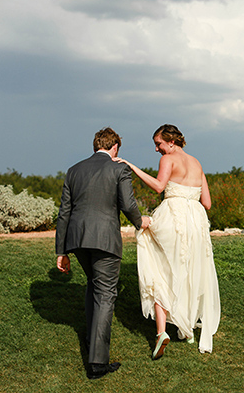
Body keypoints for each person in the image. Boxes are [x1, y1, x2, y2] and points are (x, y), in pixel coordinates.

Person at [114, 124, 220, 359]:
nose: (156, 149)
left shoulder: (168, 159)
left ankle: (162, 331)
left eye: (158, 143)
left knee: (157, 266)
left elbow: (159, 187)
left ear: (171, 142)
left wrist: (132, 167)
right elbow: (208, 203)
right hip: (196, 222)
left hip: (174, 216)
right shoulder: (197, 163)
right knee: (188, 270)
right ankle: (187, 327)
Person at [56, 127, 151, 380]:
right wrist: (141, 222)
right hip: (105, 239)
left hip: (77, 240)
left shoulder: (73, 170)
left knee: (93, 285)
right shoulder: (119, 169)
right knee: (107, 293)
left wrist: (61, 252)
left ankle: (91, 339)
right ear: (115, 147)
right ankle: (97, 363)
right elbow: (128, 204)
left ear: (95, 145)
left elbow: (64, 212)